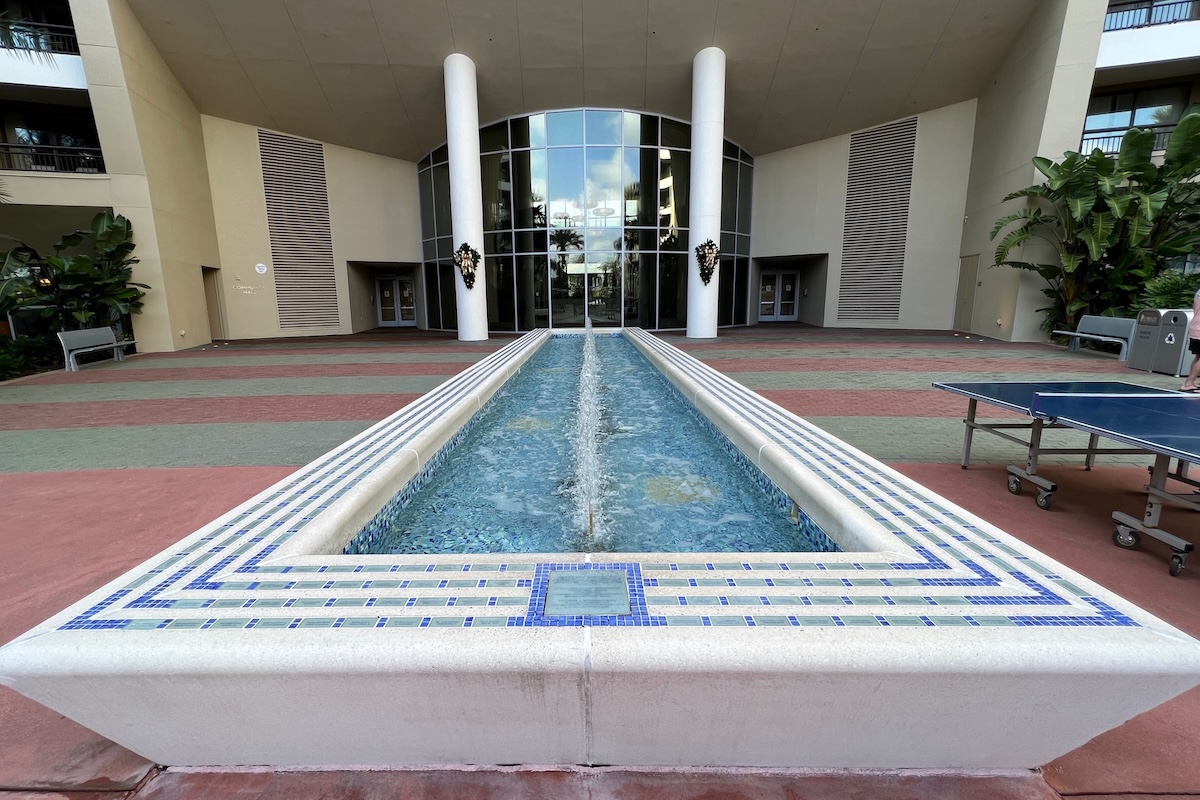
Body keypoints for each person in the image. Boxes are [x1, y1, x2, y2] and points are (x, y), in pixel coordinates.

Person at [1182, 284, 1200, 392]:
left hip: (1195, 327)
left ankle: (1192, 381)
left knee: (1198, 357)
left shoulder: (1198, 293)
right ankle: (1188, 383)